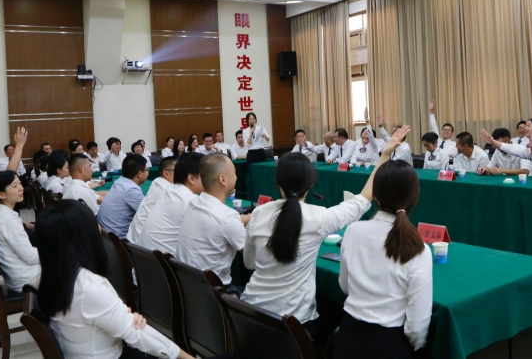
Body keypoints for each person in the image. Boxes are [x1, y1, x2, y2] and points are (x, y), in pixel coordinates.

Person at [242, 128, 410, 348]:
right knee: (338, 309)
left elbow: (249, 263)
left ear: (277, 183)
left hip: (248, 315)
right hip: (294, 324)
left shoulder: (258, 213)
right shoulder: (318, 218)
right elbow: (363, 199)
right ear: (311, 184)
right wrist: (384, 155)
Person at [35, 200, 195, 359]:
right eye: (94, 225)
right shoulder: (89, 287)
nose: (99, 228)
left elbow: (126, 327)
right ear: (83, 237)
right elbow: (137, 334)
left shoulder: (51, 275)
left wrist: (124, 317)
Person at [334, 153, 432, 358]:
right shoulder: (418, 248)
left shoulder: (353, 231)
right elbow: (417, 326)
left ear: (375, 197)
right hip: (389, 344)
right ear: (414, 198)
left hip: (347, 338)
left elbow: (345, 286)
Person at [175, 154, 249, 290]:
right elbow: (253, 258)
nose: (236, 177)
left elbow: (217, 224)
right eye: (234, 173)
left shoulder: (193, 203)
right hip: (213, 293)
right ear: (223, 179)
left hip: (186, 287)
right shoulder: (227, 218)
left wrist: (241, 220)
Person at [0, 171, 41, 291]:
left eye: (20, 183)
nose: (21, 188)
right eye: (15, 186)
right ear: (1, 194)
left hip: (19, 275)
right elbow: (30, 257)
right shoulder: (8, 220)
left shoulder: (0, 214)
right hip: (28, 279)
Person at [138, 154, 203, 255]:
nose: (209, 178)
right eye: (205, 174)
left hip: (145, 259)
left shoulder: (169, 189)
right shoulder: (190, 201)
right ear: (191, 178)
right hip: (163, 262)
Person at [127, 156, 178, 245]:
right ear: (166, 174)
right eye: (179, 171)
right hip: (142, 246)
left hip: (134, 241)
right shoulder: (168, 191)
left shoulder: (157, 182)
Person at [97, 155, 149, 239]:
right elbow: (149, 215)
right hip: (119, 240)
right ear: (139, 174)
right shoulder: (131, 190)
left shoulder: (120, 181)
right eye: (147, 170)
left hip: (106, 235)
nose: (148, 172)